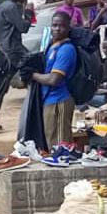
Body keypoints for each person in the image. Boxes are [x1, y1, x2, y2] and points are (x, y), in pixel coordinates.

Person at [0, 0, 33, 133]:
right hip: (12, 51)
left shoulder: (3, 5)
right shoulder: (11, 7)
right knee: (35, 70)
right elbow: (23, 27)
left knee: (4, 83)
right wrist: (28, 12)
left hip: (6, 49)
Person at [31, 11, 76, 147]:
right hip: (49, 100)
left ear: (68, 28)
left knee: (61, 146)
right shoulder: (52, 46)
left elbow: (54, 79)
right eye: (54, 25)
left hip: (60, 101)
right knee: (52, 142)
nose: (57, 28)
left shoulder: (66, 49)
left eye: (61, 26)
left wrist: (33, 75)